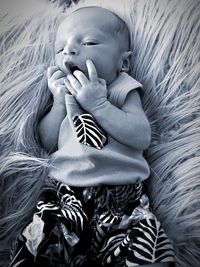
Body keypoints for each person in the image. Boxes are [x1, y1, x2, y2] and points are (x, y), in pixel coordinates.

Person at [9, 6, 175, 267]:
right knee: (39, 247)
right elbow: (47, 141)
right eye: (60, 48)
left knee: (145, 249)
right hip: (66, 198)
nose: (69, 50)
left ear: (123, 62)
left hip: (122, 201)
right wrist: (59, 105)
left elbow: (141, 136)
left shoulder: (122, 88)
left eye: (89, 42)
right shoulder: (63, 96)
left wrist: (100, 106)